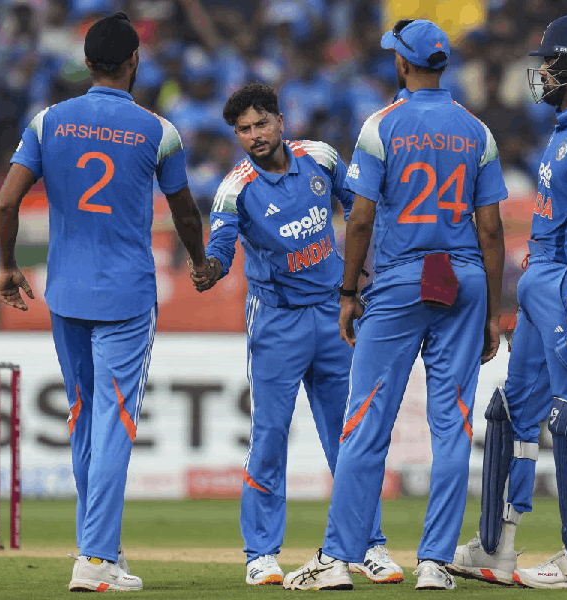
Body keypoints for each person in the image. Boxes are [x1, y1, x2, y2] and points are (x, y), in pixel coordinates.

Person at [282, 18, 507, 591]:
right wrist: (492, 314)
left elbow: (359, 218)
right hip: (464, 279)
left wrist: (349, 291)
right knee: (451, 426)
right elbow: (492, 232)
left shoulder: (381, 126)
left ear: (404, 65)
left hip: (402, 280)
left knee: (363, 425)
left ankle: (336, 560)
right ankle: (434, 563)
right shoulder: (477, 131)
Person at [0, 12, 210, 592]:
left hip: (64, 292)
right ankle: (93, 559)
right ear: (134, 63)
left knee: (85, 418)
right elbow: (185, 211)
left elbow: (6, 204)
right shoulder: (157, 130)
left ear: (86, 63)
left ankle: (100, 551)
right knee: (114, 422)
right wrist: (202, 260)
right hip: (127, 295)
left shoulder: (47, 122)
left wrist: (9, 266)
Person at [191, 83, 404, 587]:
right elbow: (220, 241)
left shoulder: (322, 158)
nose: (254, 135)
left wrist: (364, 271)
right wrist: (213, 267)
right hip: (277, 322)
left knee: (350, 437)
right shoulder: (235, 187)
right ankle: (261, 554)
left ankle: (367, 546)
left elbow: (359, 206)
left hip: (335, 316)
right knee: (268, 435)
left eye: (261, 123)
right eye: (243, 130)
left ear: (281, 122)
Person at [448, 14, 567, 590]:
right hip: (541, 282)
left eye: (551, 61)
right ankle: (495, 548)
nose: (542, 72)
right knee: (511, 412)